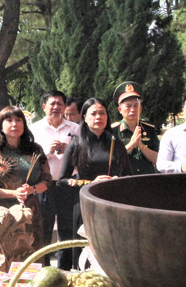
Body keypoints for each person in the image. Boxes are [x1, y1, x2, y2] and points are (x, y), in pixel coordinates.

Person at [59, 98, 132, 254]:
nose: (98, 117)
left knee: (112, 249)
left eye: (102, 113)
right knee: (86, 252)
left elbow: (128, 176)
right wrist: (91, 183)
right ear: (84, 117)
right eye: (93, 113)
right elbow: (62, 180)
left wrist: (117, 181)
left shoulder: (115, 142)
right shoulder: (77, 143)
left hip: (112, 201)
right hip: (86, 203)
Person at [0, 107, 52, 250]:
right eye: (9, 120)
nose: (14, 124)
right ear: (1, 126)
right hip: (4, 212)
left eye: (18, 120)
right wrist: (15, 193)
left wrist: (32, 189)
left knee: (33, 250)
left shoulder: (35, 150)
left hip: (31, 209)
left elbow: (47, 180)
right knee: (8, 251)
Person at [29, 90, 79, 269]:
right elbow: (31, 159)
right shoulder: (34, 129)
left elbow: (83, 157)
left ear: (65, 107)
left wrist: (69, 150)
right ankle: (43, 269)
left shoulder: (75, 129)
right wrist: (48, 152)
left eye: (60, 104)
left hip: (67, 186)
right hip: (44, 186)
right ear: (44, 107)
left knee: (67, 229)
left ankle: (65, 270)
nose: (56, 107)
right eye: (52, 103)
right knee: (43, 228)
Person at [111, 82, 159, 175]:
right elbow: (111, 160)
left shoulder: (149, 130)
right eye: (128, 106)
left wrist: (142, 147)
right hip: (123, 181)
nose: (132, 110)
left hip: (147, 180)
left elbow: (159, 159)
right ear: (120, 110)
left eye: (136, 106)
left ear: (140, 108)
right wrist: (131, 145)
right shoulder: (113, 131)